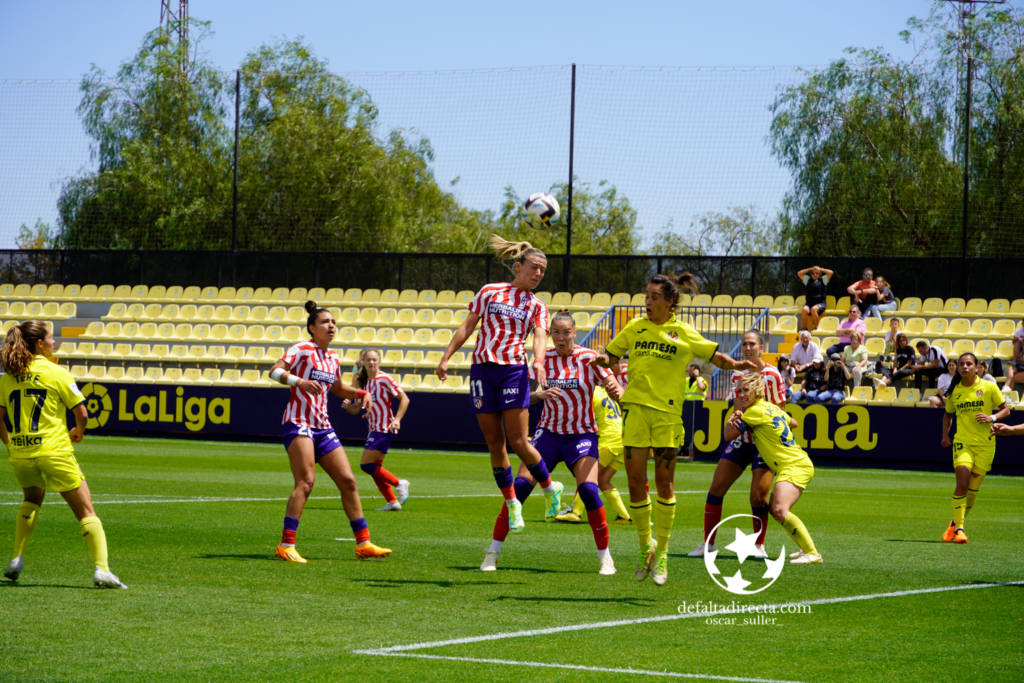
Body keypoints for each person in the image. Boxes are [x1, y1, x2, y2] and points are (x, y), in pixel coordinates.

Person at [593, 273, 755, 586]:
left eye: (654, 297)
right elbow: (612, 356)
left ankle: (663, 552)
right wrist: (602, 358)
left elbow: (713, 355)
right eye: (646, 296)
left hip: (667, 417)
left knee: (665, 484)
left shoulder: (682, 331)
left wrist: (734, 365)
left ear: (669, 301)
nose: (648, 302)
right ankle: (645, 547)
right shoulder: (634, 327)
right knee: (636, 482)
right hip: (636, 412)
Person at [481, 310, 624, 575]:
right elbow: (523, 397)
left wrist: (617, 390)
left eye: (565, 332)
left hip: (582, 435)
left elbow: (615, 386)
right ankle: (492, 552)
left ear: (575, 333)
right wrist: (539, 394)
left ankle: (605, 557)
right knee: (520, 488)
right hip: (547, 434)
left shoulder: (588, 358)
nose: (560, 338)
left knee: (590, 491)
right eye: (555, 333)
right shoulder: (541, 360)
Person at [437, 235, 563, 534]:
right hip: (482, 371)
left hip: (512, 372)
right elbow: (468, 325)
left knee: (519, 441)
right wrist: (446, 357)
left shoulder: (537, 306)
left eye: (543, 270)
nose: (538, 273)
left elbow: (541, 336)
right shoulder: (490, 291)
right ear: (518, 266)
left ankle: (549, 488)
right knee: (495, 443)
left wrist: (539, 360)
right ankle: (512, 505)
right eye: (534, 267)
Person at [0, 321, 127, 589]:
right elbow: (82, 413)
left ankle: (16, 558)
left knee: (32, 498)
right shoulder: (56, 372)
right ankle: (102, 570)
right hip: (53, 450)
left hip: (21, 450)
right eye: (50, 338)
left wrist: (9, 443)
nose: (54, 342)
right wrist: (79, 431)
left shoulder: (8, 377)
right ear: (39, 343)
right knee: (85, 510)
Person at [269, 301, 390, 562]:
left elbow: (336, 388)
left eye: (334, 322)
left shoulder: (332, 356)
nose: (331, 326)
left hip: (323, 427)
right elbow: (274, 371)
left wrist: (362, 392)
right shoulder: (302, 349)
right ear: (312, 328)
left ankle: (364, 543)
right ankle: (286, 544)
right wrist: (298, 381)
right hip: (298, 422)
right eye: (325, 322)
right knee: (306, 482)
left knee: (348, 481)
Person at [689, 330, 785, 559]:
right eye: (744, 344)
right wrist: (736, 421)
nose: (748, 348)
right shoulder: (737, 376)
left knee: (758, 497)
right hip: (742, 441)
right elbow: (737, 410)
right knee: (716, 487)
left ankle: (758, 545)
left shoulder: (773, 375)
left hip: (764, 444)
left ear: (762, 347)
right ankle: (708, 544)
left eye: (752, 343)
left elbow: (781, 412)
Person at [725, 373, 822, 564]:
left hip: (795, 465)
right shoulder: (770, 408)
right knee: (776, 509)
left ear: (757, 390)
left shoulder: (754, 412)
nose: (741, 395)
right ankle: (806, 550)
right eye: (740, 391)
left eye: (746, 390)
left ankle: (813, 554)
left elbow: (728, 436)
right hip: (797, 462)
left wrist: (732, 417)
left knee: (778, 509)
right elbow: (793, 423)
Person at [940, 353, 1009, 544]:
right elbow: (948, 415)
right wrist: (945, 435)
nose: (965, 367)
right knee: (962, 483)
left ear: (977, 367)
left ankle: (954, 523)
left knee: (972, 492)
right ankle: (960, 530)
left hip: (986, 445)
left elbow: (1006, 409)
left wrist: (992, 418)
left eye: (969, 364)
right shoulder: (954, 391)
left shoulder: (988, 386)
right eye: (962, 364)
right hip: (963, 442)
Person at [555, 382, 633, 526]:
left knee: (587, 476)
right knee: (603, 480)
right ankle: (624, 517)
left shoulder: (591, 392)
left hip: (608, 439)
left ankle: (576, 512)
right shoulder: (607, 391)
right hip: (622, 438)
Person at [342, 348, 411, 512]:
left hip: (384, 427)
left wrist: (397, 419)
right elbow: (356, 409)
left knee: (365, 465)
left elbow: (405, 399)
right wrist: (347, 408)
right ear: (363, 363)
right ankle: (392, 502)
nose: (372, 363)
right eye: (368, 360)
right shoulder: (364, 382)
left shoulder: (384, 379)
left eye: (374, 360)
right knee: (374, 469)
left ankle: (399, 483)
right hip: (373, 428)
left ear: (379, 362)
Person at [678, 362, 708, 461]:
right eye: (689, 370)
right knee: (684, 429)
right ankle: (683, 449)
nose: (689, 372)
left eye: (691, 370)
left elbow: (701, 387)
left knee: (695, 431)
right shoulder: (686, 380)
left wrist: (697, 376)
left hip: (698, 409)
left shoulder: (702, 380)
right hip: (685, 408)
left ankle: (693, 451)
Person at [797, 265, 833, 331]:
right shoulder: (807, 280)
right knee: (804, 309)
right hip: (809, 303)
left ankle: (816, 327)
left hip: (820, 303)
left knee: (814, 309)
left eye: (817, 273)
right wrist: (809, 269)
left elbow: (830, 272)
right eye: (813, 273)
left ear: (819, 274)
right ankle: (805, 328)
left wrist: (821, 269)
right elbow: (799, 273)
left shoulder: (823, 280)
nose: (815, 274)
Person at [1002, 317, 1024, 395]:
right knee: (1011, 369)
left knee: (1013, 378)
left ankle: (1006, 394)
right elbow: (1014, 341)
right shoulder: (1020, 331)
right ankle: (1005, 387)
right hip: (1022, 366)